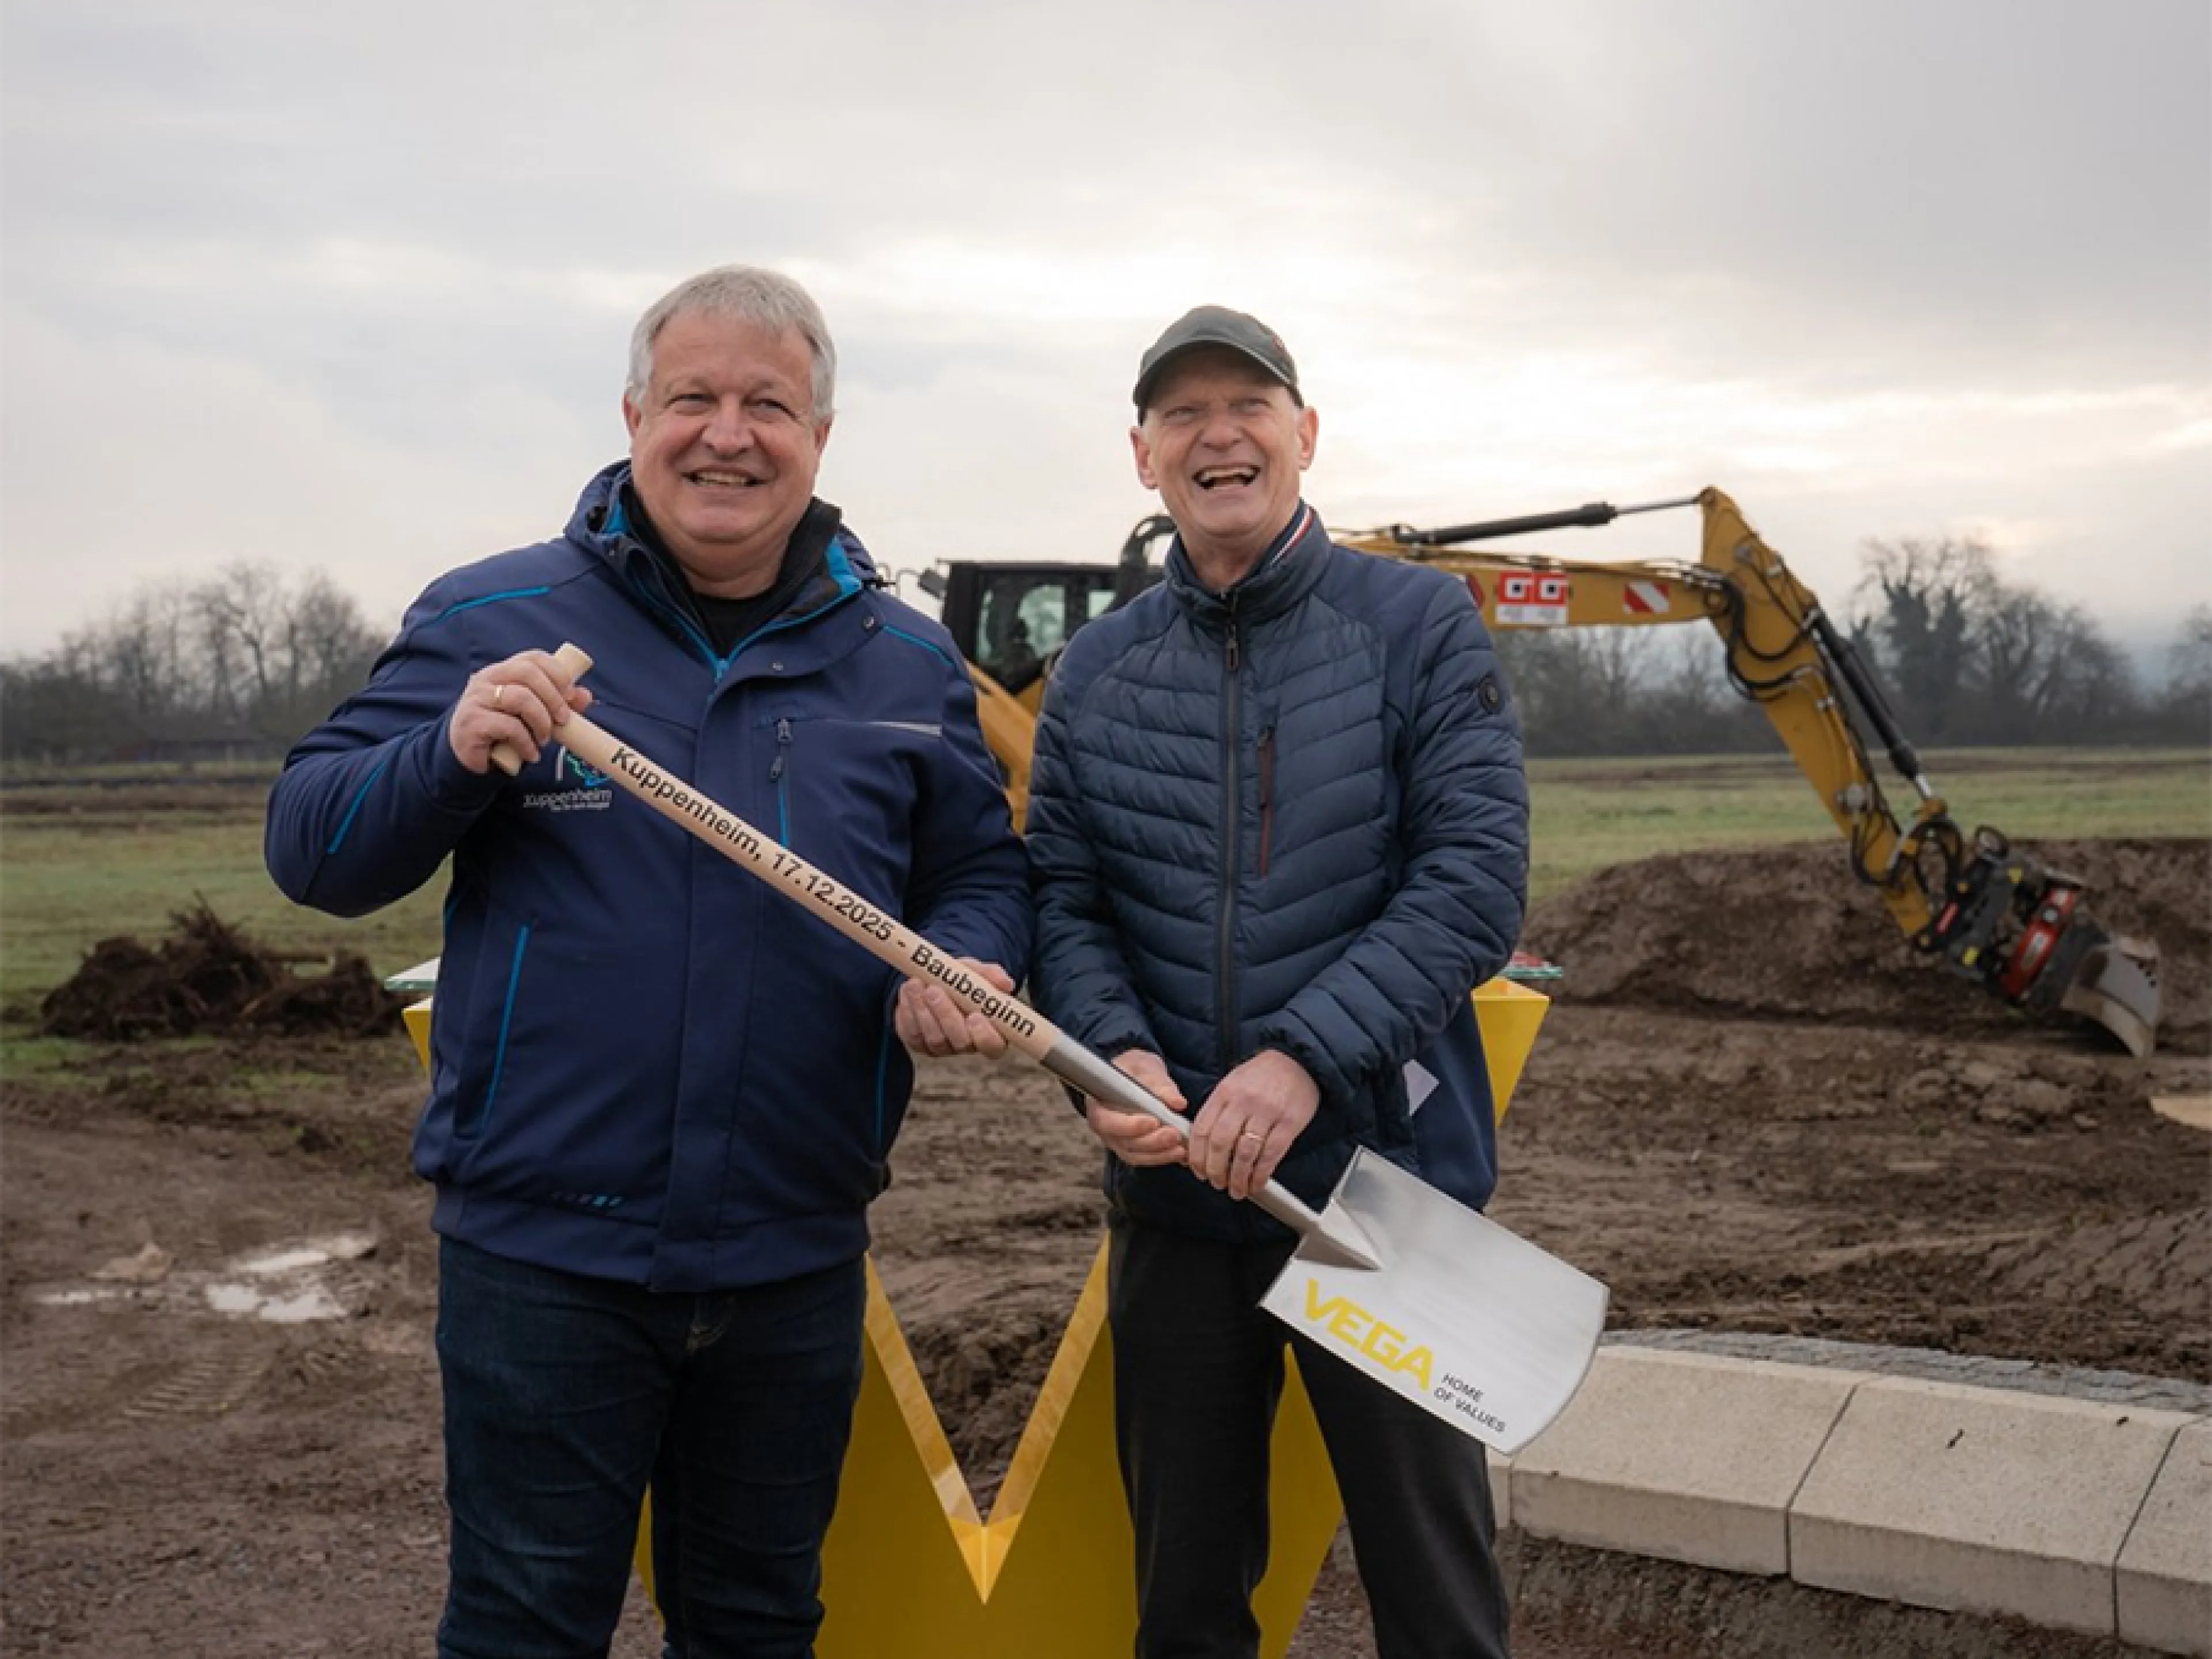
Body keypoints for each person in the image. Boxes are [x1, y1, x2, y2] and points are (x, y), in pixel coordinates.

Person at [265, 266, 1031, 1658]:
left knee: (753, 1624)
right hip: (544, 1259)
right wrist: (445, 757)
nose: (727, 434)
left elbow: (978, 869)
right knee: (522, 1625)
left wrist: (971, 956)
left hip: (793, 1255)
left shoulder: (906, 664)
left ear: (821, 435)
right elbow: (313, 852)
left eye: (768, 405)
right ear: (633, 415)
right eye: (693, 399)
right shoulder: (490, 617)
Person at [1025, 306, 1529, 1659]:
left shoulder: (1418, 623)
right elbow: (1062, 904)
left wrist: (1304, 1057)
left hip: (1387, 1193)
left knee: (1435, 1597)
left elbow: (1474, 884)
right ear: (1144, 458)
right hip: (1177, 1202)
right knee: (1185, 1600)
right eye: (1181, 414)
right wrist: (1110, 1057)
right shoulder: (1096, 671)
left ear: (1305, 436)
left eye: (1247, 403)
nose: (1217, 433)